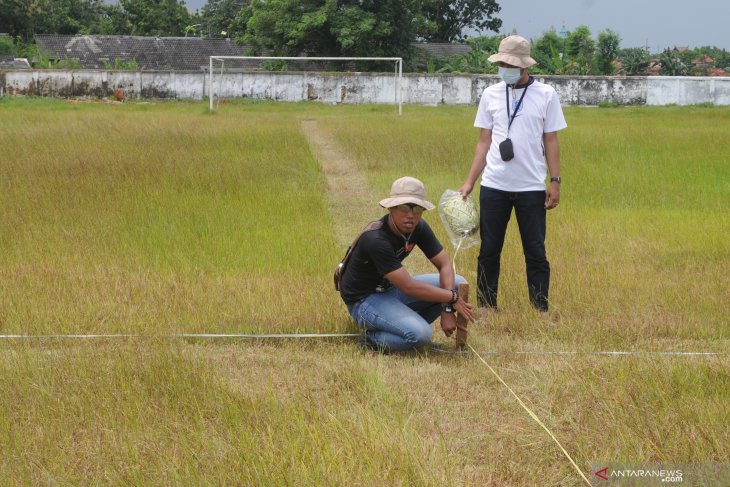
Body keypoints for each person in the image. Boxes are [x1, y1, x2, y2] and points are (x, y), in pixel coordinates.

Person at [458, 35, 567, 314]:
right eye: (502, 62)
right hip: (494, 185)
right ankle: (486, 305)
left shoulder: (545, 94)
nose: (504, 67)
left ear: (523, 65)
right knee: (489, 250)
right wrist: (470, 182)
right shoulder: (491, 94)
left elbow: (551, 140)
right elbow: (484, 140)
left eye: (510, 63)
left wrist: (554, 181)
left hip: (531, 187)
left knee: (535, 251)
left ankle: (540, 307)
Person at [339, 176, 474, 352]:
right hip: (364, 301)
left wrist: (447, 308)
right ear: (391, 208)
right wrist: (451, 298)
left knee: (456, 281)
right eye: (404, 207)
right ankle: (372, 338)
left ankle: (403, 326)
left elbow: (445, 264)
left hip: (391, 291)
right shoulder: (376, 239)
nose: (411, 215)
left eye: (417, 208)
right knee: (421, 335)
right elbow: (409, 287)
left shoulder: (419, 227)